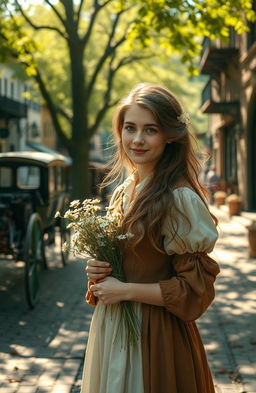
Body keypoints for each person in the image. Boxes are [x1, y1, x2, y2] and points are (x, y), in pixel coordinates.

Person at [81, 83, 220, 393]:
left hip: (156, 337)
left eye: (150, 129)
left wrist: (126, 290)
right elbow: (126, 264)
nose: (137, 139)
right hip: (112, 327)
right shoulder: (122, 192)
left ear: (169, 135)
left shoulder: (179, 199)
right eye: (130, 128)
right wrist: (99, 272)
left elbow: (194, 291)